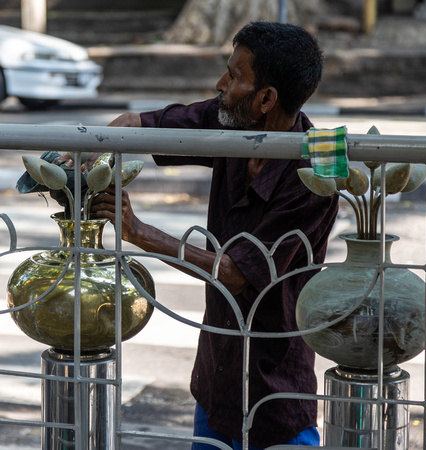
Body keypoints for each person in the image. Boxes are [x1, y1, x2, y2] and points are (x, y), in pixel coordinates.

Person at [90, 21, 339, 449]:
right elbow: (146, 122)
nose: (221, 84)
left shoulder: (317, 171)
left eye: (235, 76)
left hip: (276, 391)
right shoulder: (233, 123)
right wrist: (97, 147)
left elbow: (237, 272)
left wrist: (139, 232)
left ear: (266, 99)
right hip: (215, 382)